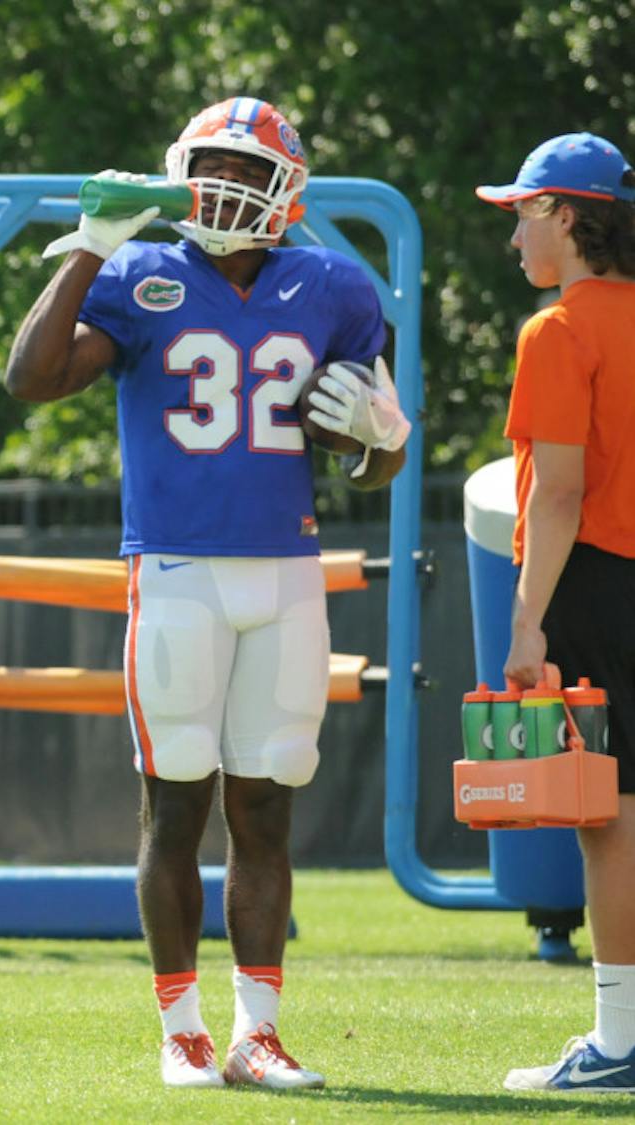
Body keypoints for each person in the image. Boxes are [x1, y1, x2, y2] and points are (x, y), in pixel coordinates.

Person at [3, 97, 411, 1090]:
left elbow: (372, 465)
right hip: (177, 570)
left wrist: (385, 443)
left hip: (285, 568)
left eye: (245, 170)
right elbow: (33, 378)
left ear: (284, 193)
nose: (224, 187)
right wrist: (89, 251)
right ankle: (181, 1030)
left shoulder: (336, 285)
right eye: (211, 166)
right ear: (182, 169)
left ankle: (256, 1033)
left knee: (267, 808)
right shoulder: (139, 273)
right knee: (174, 805)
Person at [477, 133, 635, 1094]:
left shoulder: (558, 329)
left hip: (597, 582)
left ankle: (618, 1040)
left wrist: (526, 619)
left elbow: (559, 495)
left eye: (526, 212)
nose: (517, 234)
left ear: (569, 216)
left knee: (608, 817)